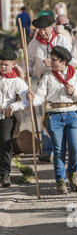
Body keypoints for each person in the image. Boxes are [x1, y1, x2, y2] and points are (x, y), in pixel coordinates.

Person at [27, 47, 77, 194]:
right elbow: (40, 97)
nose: (50, 62)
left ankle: (73, 174)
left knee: (76, 149)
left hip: (73, 113)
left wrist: (74, 93)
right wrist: (32, 99)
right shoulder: (48, 77)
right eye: (51, 59)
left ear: (63, 61)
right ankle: (60, 180)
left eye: (54, 60)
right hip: (54, 115)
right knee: (58, 150)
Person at [0, 51, 29, 188]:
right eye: (1, 64)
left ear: (13, 64)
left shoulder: (17, 81)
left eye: (6, 65)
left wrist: (13, 106)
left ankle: (5, 174)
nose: (3, 67)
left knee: (5, 145)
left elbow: (27, 101)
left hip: (6, 116)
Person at [27, 15, 73, 80]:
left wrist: (53, 63)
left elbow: (71, 60)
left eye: (44, 29)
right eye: (40, 29)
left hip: (61, 80)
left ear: (51, 28)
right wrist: (28, 72)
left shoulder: (61, 40)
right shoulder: (34, 44)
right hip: (42, 80)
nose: (42, 32)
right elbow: (28, 61)